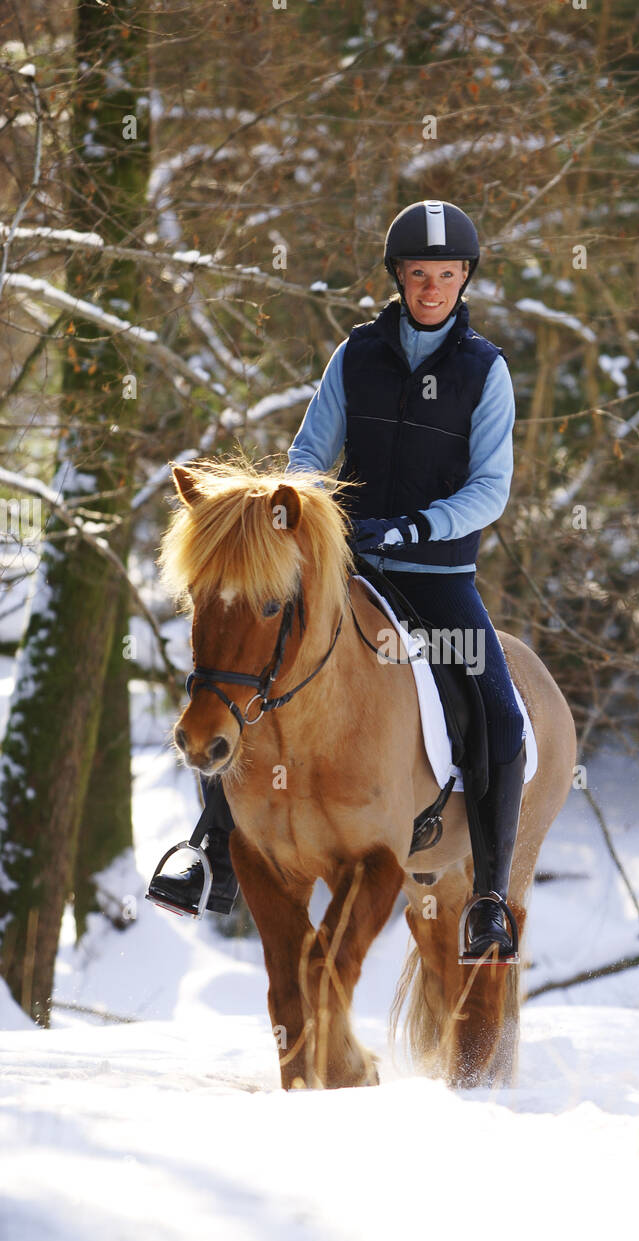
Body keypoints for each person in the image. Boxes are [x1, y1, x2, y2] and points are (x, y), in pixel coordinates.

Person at [148, 200, 525, 962]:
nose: (431, 289)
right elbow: (308, 457)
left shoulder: (485, 371)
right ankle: (210, 849)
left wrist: (418, 527)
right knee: (240, 670)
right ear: (398, 277)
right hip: (343, 568)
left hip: (435, 574)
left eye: (445, 276)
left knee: (500, 713)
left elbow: (492, 487)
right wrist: (300, 521)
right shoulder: (354, 355)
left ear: (464, 279)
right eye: (418, 275)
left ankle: (486, 896)